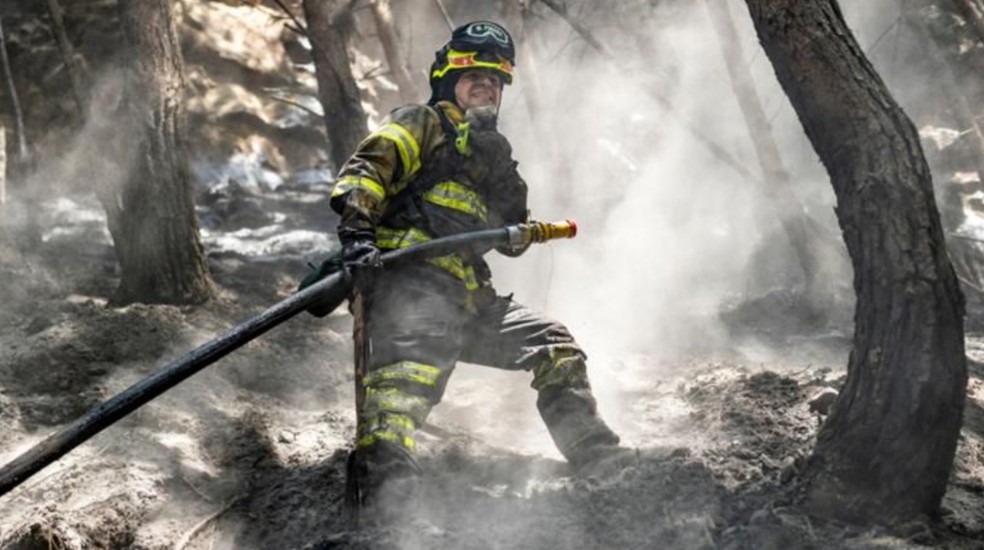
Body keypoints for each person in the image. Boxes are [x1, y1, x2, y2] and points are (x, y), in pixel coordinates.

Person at [329, 20, 630, 507]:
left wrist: (499, 163)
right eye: (474, 77)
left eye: (494, 81)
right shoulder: (421, 123)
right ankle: (389, 493)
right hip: (410, 287)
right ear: (449, 80)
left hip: (470, 299)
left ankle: (600, 459)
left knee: (554, 347)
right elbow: (366, 171)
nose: (486, 86)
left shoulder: (491, 151)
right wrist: (358, 237)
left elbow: (512, 240)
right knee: (407, 380)